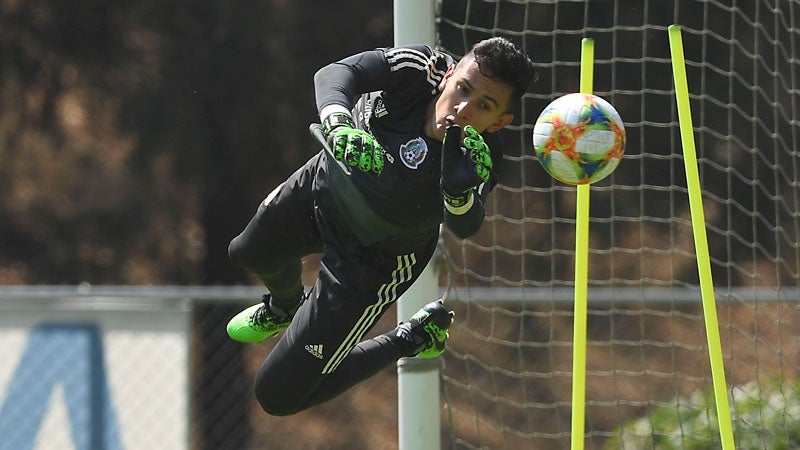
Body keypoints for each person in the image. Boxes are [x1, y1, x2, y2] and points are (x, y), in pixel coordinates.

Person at [226, 37, 536, 416]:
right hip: (321, 189)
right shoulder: (418, 67)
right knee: (247, 251)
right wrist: (339, 124)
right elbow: (337, 73)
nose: (463, 108)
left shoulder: (481, 156)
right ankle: (285, 305)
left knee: (276, 395)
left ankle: (413, 336)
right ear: (449, 75)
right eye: (463, 88)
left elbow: (466, 225)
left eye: (484, 106)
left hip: (371, 262)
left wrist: (457, 193)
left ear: (500, 121)